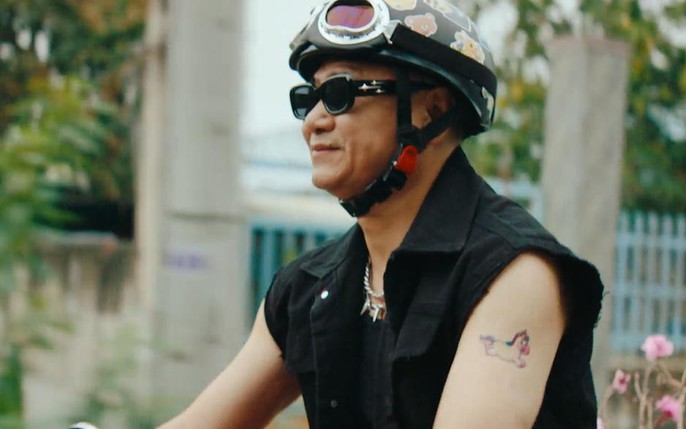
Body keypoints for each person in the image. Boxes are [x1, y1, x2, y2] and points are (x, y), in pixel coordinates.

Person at [158, 0, 604, 428]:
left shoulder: (513, 273)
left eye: (340, 94)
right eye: (309, 99)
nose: (313, 122)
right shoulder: (308, 288)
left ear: (432, 108)